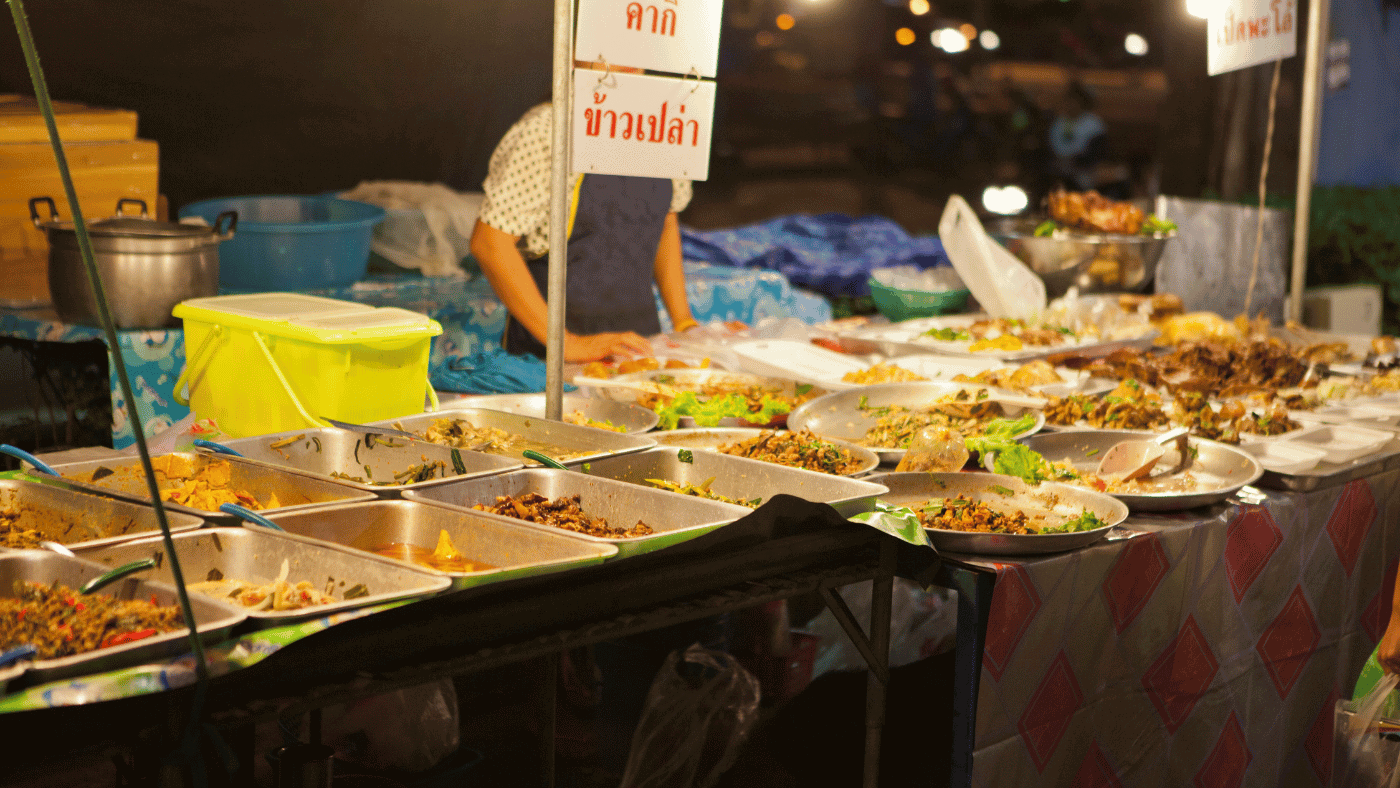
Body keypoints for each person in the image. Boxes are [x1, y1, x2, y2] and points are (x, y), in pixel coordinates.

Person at [470, 75, 700, 363]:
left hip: (640, 349)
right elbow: (491, 243)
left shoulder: (666, 125)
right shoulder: (551, 128)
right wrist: (568, 344)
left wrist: (684, 324)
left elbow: (665, 223)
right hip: (550, 362)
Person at [1046, 80, 1106, 192]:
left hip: (1084, 172)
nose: (1070, 105)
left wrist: (1075, 161)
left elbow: (1096, 153)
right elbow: (1051, 147)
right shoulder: (1059, 122)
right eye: (1068, 101)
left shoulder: (1093, 124)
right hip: (1059, 170)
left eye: (1074, 101)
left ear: (1082, 102)